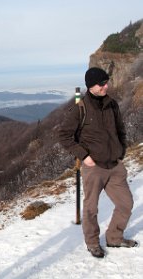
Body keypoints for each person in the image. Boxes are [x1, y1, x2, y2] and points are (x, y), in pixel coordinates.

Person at [58, 67, 138, 258]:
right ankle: (92, 243)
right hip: (94, 168)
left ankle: (114, 237)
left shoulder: (112, 104)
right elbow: (64, 136)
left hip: (115, 166)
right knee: (91, 208)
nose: (105, 86)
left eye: (106, 82)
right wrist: (84, 156)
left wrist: (122, 151)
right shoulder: (80, 108)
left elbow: (120, 130)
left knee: (126, 203)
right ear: (90, 86)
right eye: (101, 83)